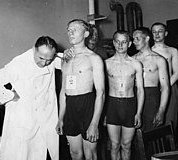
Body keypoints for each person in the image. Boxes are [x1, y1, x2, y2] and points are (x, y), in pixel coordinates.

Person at [0, 36, 63, 160]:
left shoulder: (51, 58)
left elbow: (68, 61)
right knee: (20, 154)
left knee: (40, 153)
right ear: (33, 50)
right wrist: (11, 96)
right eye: (41, 58)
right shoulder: (19, 63)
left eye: (49, 60)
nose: (44, 63)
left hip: (44, 115)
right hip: (23, 116)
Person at [56, 19, 105, 160]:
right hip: (70, 106)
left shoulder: (94, 58)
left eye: (75, 30)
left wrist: (95, 123)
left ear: (86, 34)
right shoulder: (66, 59)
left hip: (87, 105)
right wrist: (60, 118)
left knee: (90, 154)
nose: (70, 33)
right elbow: (63, 91)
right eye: (69, 30)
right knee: (75, 153)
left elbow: (101, 93)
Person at [105, 30, 144, 160]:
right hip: (112, 105)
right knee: (115, 145)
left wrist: (138, 113)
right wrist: (104, 112)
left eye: (124, 42)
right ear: (113, 43)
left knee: (126, 145)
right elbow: (101, 91)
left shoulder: (136, 64)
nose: (120, 45)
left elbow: (140, 90)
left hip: (129, 105)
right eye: (117, 41)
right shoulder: (106, 64)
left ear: (129, 44)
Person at [132, 27, 170, 131]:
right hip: (134, 97)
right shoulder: (132, 59)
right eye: (133, 39)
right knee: (134, 136)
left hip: (151, 99)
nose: (134, 41)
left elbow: (165, 88)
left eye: (137, 38)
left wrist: (161, 111)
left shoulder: (159, 60)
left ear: (147, 38)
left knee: (152, 133)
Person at [151, 22, 178, 130]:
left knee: (169, 122)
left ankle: (170, 146)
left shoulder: (172, 50)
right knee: (154, 122)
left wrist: (164, 87)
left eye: (160, 31)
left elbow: (176, 73)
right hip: (153, 89)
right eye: (154, 32)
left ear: (166, 33)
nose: (157, 34)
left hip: (170, 87)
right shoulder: (148, 51)